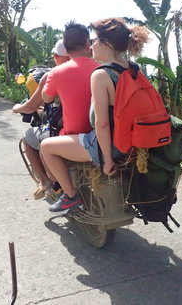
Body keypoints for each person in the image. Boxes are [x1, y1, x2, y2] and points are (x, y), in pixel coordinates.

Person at [41, 18, 149, 215]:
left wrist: (107, 160)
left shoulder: (101, 74)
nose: (92, 45)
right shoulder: (135, 69)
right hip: (133, 140)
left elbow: (102, 124)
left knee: (46, 147)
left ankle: (71, 197)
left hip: (109, 144)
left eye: (96, 40)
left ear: (107, 44)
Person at [39, 21, 101, 212]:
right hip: (101, 135)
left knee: (45, 147)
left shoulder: (56, 73)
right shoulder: (102, 69)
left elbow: (46, 98)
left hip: (76, 137)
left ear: (65, 47)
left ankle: (69, 196)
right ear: (87, 43)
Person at [12, 40, 70, 199]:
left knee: (28, 137)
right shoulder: (94, 70)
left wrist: (17, 107)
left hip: (63, 129)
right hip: (89, 129)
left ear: (56, 56)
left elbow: (31, 106)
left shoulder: (51, 75)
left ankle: (45, 182)